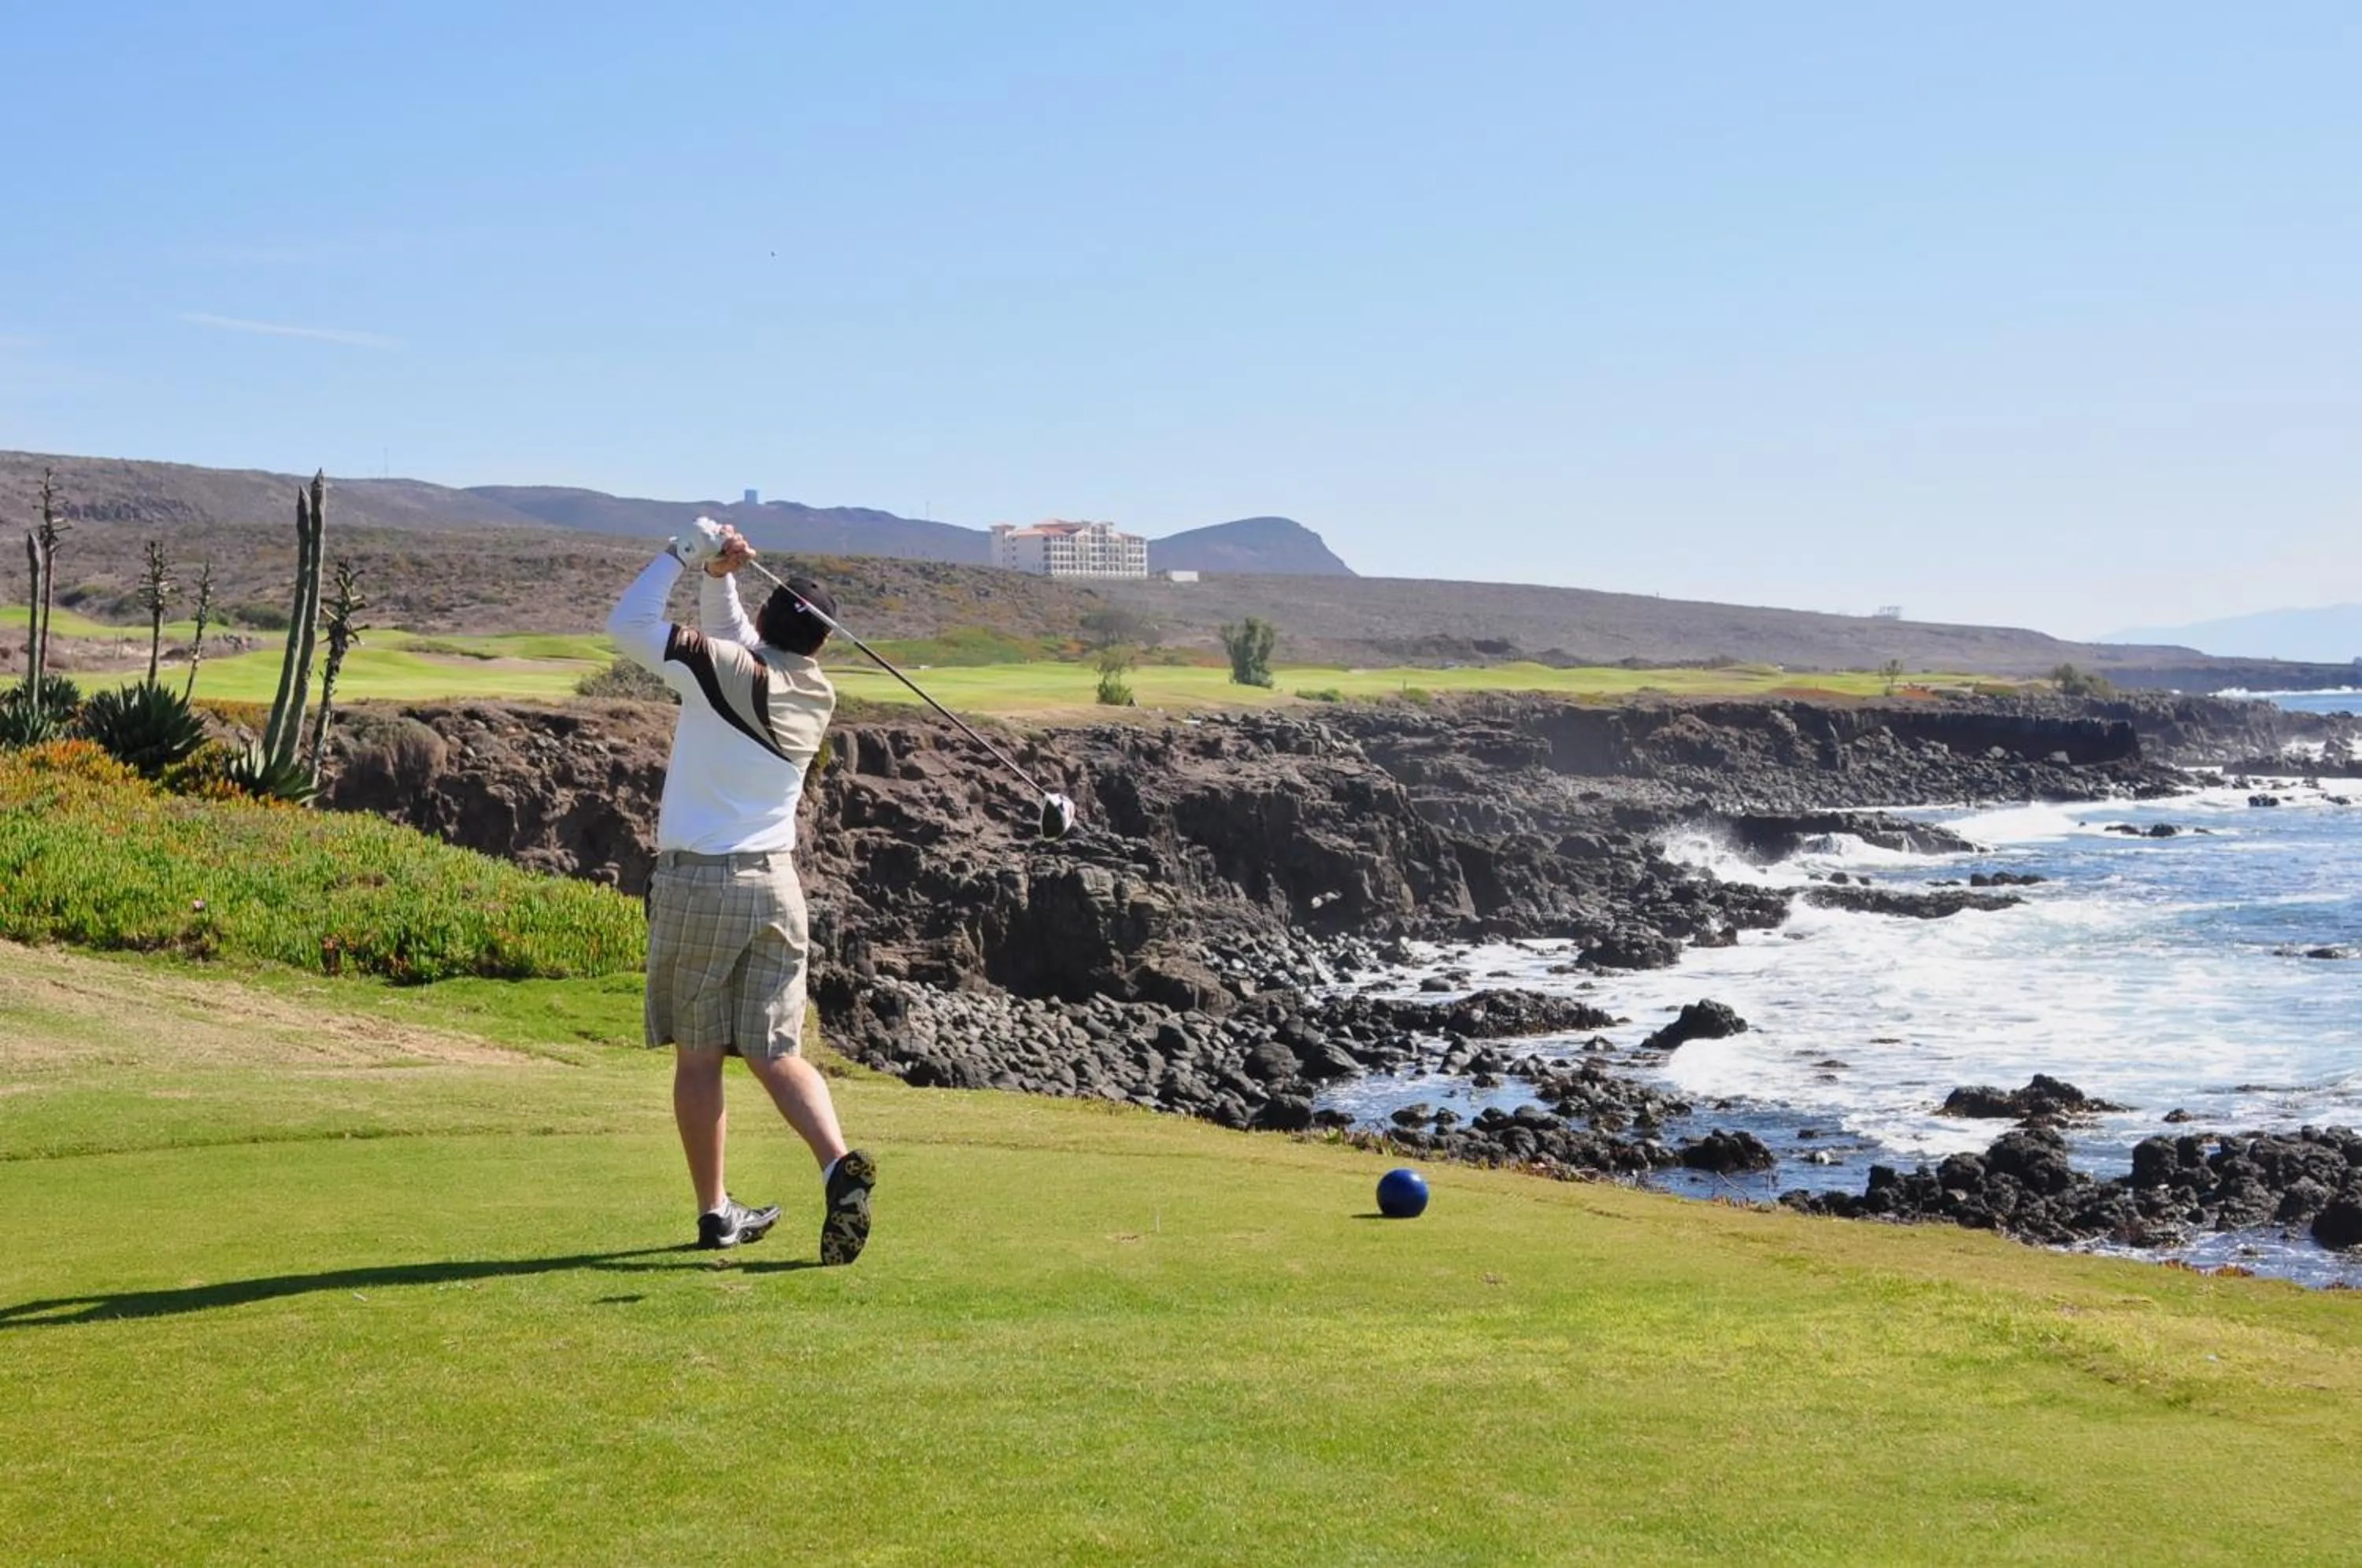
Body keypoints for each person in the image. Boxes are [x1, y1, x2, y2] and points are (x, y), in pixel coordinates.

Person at [605, 517, 876, 1264]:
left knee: (699, 1058)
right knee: (775, 1051)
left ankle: (715, 1213)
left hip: (702, 883)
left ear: (766, 615)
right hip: (776, 887)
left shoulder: (729, 671)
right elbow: (741, 647)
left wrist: (681, 554)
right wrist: (719, 577)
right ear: (819, 643)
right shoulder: (812, 690)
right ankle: (836, 1166)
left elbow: (627, 626)